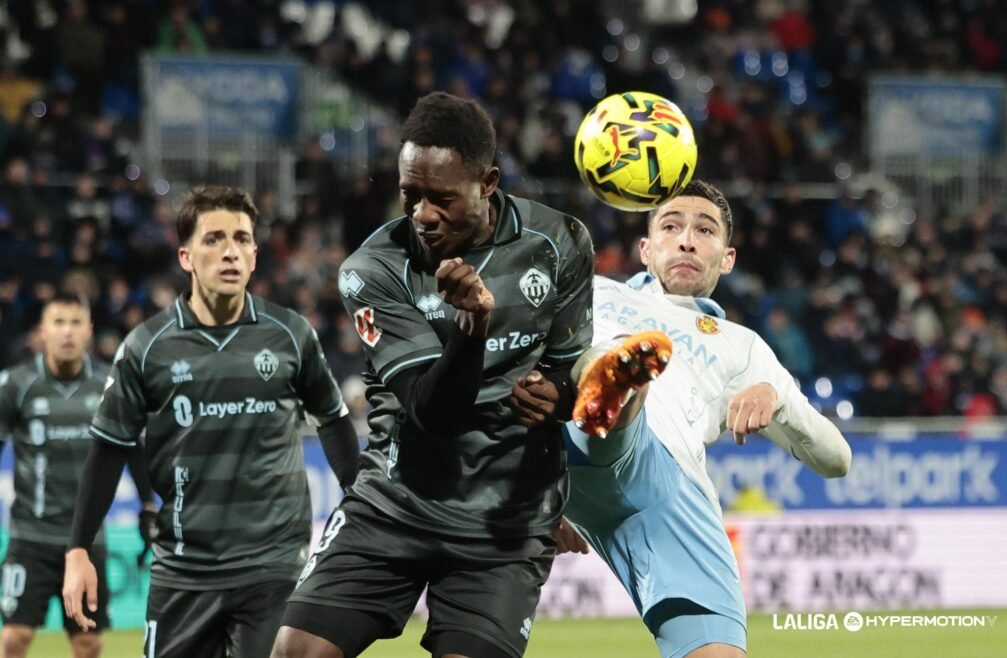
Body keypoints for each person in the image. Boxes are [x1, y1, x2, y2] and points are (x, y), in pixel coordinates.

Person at [271, 91, 594, 658]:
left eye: (441, 198)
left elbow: (571, 370)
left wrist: (559, 395)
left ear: (488, 183)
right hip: (395, 505)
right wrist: (472, 328)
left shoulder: (560, 242)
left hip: (503, 526)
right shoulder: (371, 270)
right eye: (410, 194)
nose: (422, 214)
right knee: (295, 653)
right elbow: (431, 412)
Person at [517, 180, 852, 658]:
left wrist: (774, 398)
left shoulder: (744, 346)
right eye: (671, 226)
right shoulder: (592, 290)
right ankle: (618, 380)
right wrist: (535, 494)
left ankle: (619, 378)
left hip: (673, 492)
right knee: (613, 371)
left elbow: (837, 459)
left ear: (728, 258)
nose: (687, 239)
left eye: (705, 229)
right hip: (591, 445)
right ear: (647, 250)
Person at [61, 186, 360, 658]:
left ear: (256, 256)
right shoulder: (147, 346)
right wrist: (78, 550)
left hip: (274, 566)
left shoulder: (290, 335)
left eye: (242, 239)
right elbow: (109, 447)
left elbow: (334, 420)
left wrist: (361, 514)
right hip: (184, 568)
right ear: (185, 256)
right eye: (214, 239)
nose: (230, 251)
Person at [0, 293, 154, 658]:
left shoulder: (108, 385)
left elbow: (133, 449)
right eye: (58, 322)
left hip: (86, 540)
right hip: (30, 538)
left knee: (87, 643)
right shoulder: (16, 386)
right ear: (43, 332)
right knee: (13, 639)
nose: (66, 332)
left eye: (74, 323)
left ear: (88, 330)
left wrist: (148, 506)